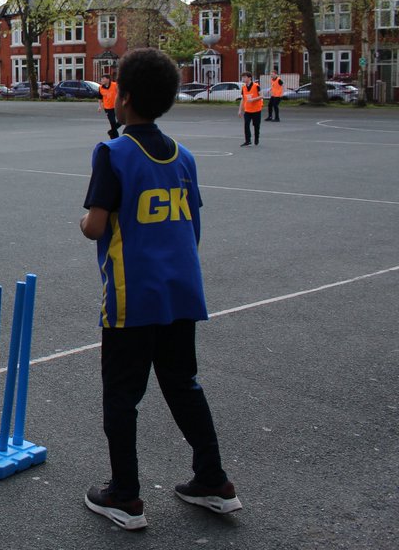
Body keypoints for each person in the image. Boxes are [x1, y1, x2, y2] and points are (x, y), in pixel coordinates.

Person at [79, 48, 241, 531]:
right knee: (183, 385)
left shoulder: (113, 153)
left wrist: (83, 220)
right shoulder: (184, 156)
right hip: (181, 292)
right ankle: (212, 479)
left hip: (135, 297)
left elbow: (94, 226)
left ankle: (125, 495)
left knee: (122, 395)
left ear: (123, 98)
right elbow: (192, 223)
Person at [239, 72, 263, 147]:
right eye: (243, 77)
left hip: (256, 110)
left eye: (245, 77)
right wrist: (240, 110)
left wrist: (253, 99)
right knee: (246, 124)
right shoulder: (243, 87)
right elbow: (243, 99)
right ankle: (248, 140)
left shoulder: (256, 86)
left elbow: (262, 96)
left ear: (249, 78)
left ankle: (256, 138)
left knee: (256, 125)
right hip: (248, 110)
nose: (243, 79)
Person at [98, 72, 120, 140]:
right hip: (108, 108)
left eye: (103, 79)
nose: (101, 80)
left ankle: (111, 131)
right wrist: (99, 106)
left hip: (116, 106)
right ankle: (115, 138)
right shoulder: (100, 88)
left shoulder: (115, 85)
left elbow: (121, 93)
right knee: (112, 122)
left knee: (122, 120)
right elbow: (100, 98)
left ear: (108, 79)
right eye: (101, 79)